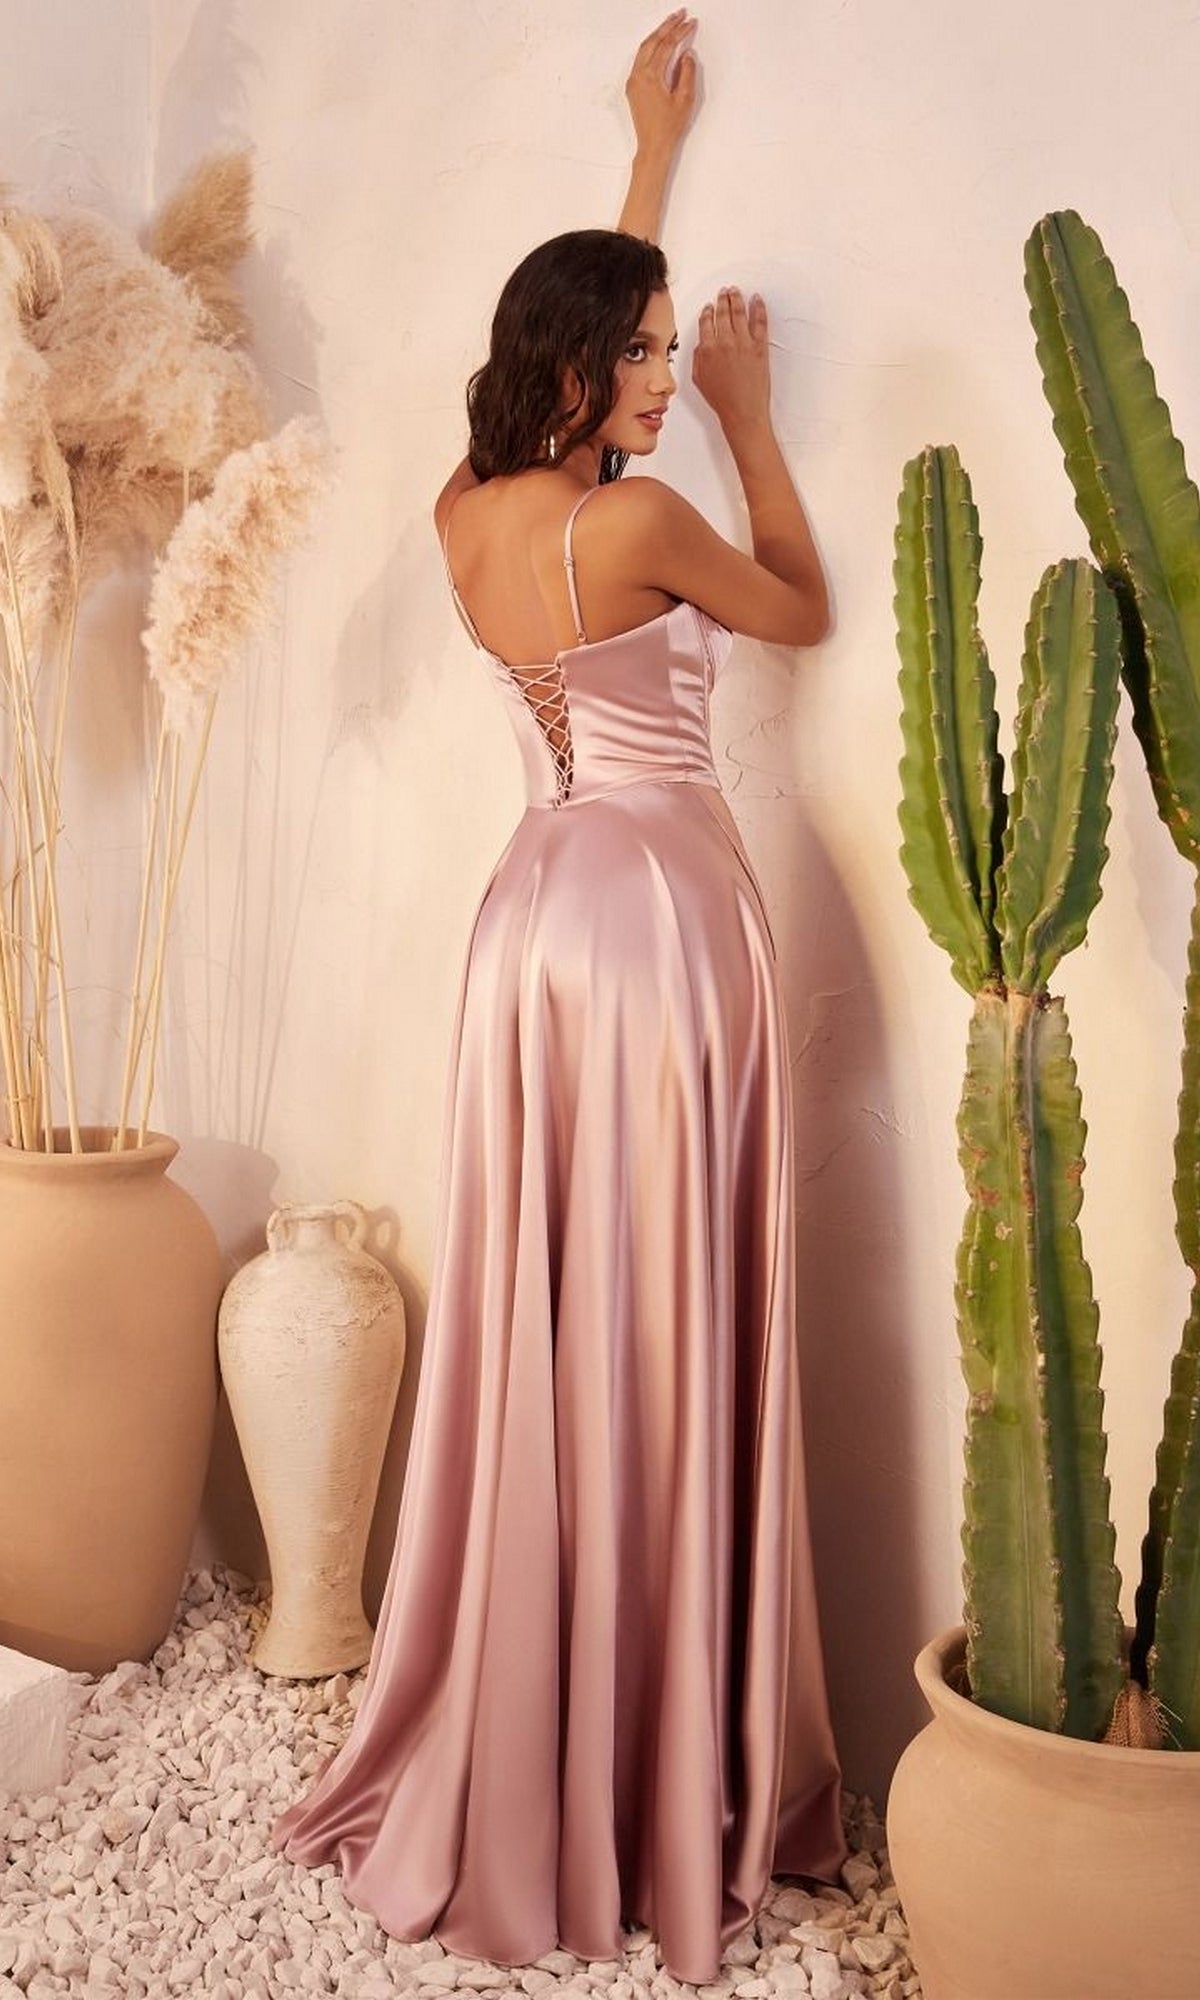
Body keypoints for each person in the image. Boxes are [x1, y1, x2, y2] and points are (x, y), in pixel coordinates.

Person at [275, 15, 845, 1984]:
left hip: (528, 924)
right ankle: (657, 1752)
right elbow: (804, 606)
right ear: (598, 375)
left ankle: (546, 1710)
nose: (679, 374)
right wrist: (759, 423)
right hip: (664, 924)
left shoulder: (470, 512)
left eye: (688, 354)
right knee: (661, 1315)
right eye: (660, 355)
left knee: (563, 1320)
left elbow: (571, 372)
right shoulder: (645, 519)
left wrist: (646, 162)